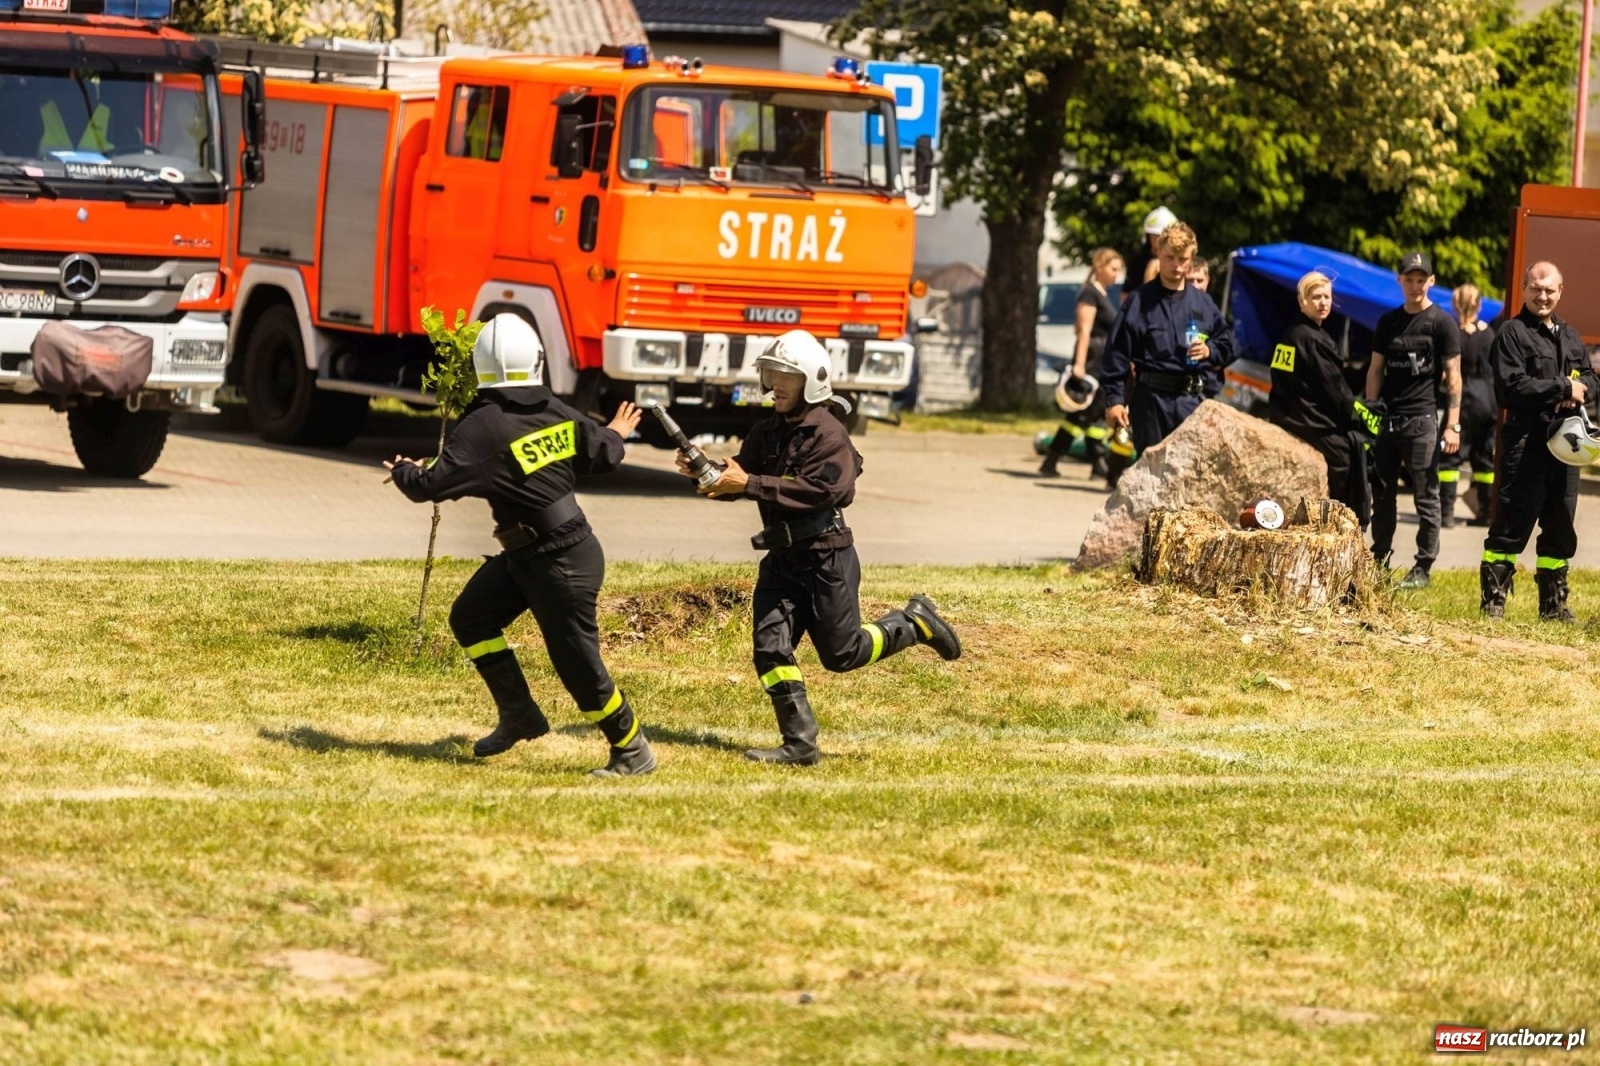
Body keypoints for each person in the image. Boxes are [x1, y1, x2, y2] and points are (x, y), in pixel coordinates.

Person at [384, 314, 656, 777]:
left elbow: (429, 485)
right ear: (536, 360)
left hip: (559, 563)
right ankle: (520, 715)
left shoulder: (483, 426)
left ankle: (631, 748)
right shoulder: (552, 409)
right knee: (472, 617)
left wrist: (404, 470)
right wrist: (613, 431)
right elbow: (604, 453)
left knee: (578, 667)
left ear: (481, 366)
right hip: (538, 555)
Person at [682, 329, 962, 766]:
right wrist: (709, 473)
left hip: (825, 558)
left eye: (786, 377)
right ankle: (799, 743)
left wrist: (748, 483)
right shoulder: (766, 431)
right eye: (772, 375)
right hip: (781, 562)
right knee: (770, 648)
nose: (776, 385)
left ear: (812, 381)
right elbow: (743, 477)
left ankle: (912, 623)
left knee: (843, 655)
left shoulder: (829, 436)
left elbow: (822, 491)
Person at [1480, 261, 1598, 621]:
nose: (1542, 296)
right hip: (1526, 442)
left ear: (1560, 292)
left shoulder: (1570, 335)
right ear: (1523, 289)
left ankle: (1553, 605)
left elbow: (1591, 379)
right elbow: (1511, 387)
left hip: (1566, 446)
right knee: (1511, 522)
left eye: (1549, 290)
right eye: (1536, 288)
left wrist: (1580, 389)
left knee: (1560, 526)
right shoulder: (1511, 333)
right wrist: (1562, 388)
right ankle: (1494, 602)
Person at [1365, 251, 1462, 590]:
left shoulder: (1442, 323)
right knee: (1382, 494)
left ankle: (1422, 567)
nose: (1415, 285)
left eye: (1422, 280)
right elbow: (1375, 369)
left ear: (1431, 282)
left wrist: (1452, 425)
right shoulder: (1388, 322)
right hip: (1388, 421)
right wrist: (1371, 410)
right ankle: (1379, 560)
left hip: (1422, 422)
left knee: (1426, 497)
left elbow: (1454, 377)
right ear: (1400, 281)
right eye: (1409, 279)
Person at [1101, 222, 1234, 452]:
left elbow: (1229, 343)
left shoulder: (1203, 303)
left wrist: (1209, 350)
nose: (1176, 265)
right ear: (1158, 254)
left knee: (1190, 471)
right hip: (1150, 405)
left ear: (1191, 258)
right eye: (1169, 257)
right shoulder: (1139, 301)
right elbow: (1116, 353)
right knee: (1152, 470)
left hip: (1191, 404)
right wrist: (1115, 400)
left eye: (1183, 259)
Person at [1267, 271, 1374, 527]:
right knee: (1346, 458)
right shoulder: (1311, 339)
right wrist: (1358, 420)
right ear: (1302, 300)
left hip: (1288, 417)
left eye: (1327, 296)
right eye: (1316, 297)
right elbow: (1335, 391)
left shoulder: (1291, 333)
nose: (1323, 302)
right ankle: (1341, 525)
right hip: (1311, 422)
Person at [1038, 247, 1123, 479]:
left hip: (1104, 361)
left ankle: (1096, 463)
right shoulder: (1090, 294)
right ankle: (1054, 458)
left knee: (1095, 413)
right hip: (1092, 360)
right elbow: (1084, 331)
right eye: (1113, 269)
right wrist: (1080, 364)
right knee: (1082, 413)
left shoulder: (1102, 294)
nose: (1116, 274)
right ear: (1099, 267)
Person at [1452, 284, 1498, 527]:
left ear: (1455, 304)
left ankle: (1444, 511)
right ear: (1479, 305)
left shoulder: (1454, 334)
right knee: (1484, 460)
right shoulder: (1489, 334)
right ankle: (1486, 512)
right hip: (1488, 402)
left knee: (1450, 458)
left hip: (1464, 400)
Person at [1123, 206, 1178, 302]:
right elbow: (1126, 293)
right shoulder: (1138, 262)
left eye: (1164, 237)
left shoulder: (1179, 260)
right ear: (1148, 236)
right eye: (1156, 236)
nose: (1160, 240)